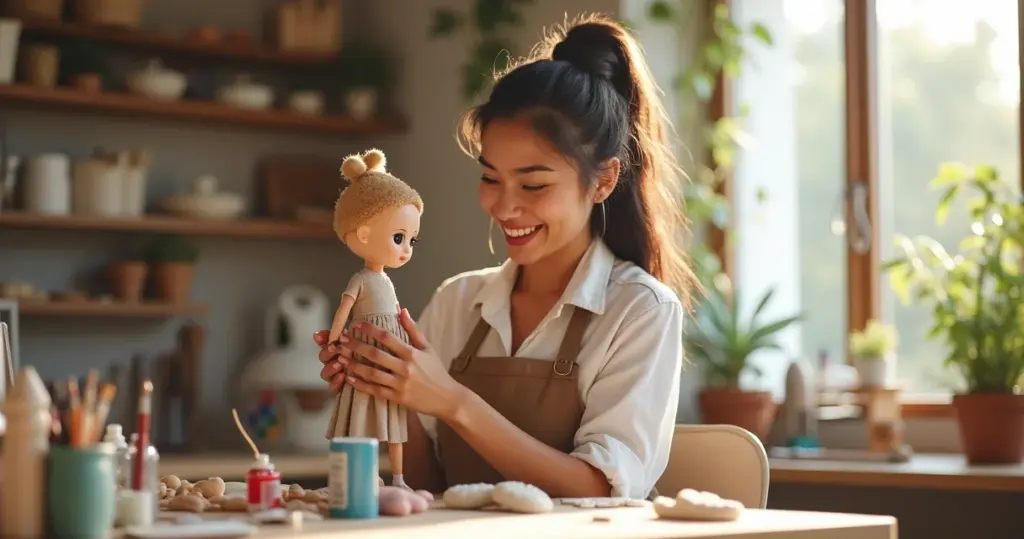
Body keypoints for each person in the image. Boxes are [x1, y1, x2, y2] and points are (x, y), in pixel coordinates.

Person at [315, 13, 694, 502]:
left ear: (602, 180)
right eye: (491, 178)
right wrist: (391, 388)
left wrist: (453, 401)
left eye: (533, 185)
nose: (505, 206)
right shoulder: (459, 300)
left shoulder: (641, 311)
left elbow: (603, 489)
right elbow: (431, 488)